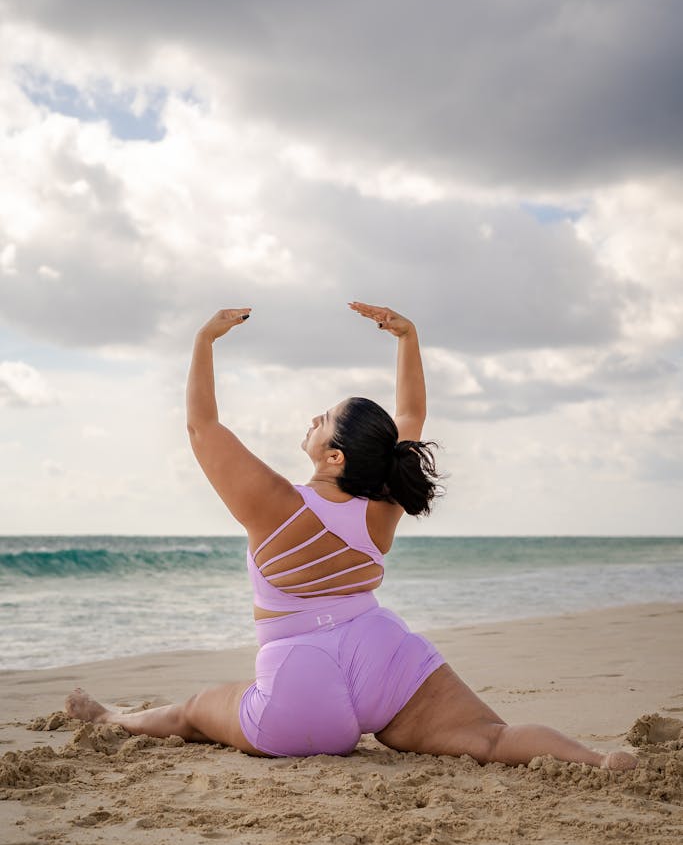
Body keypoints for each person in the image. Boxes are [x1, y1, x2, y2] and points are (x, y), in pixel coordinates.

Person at [65, 302, 637, 771]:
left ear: (334, 456)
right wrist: (407, 337)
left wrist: (203, 341)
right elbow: (410, 415)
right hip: (385, 659)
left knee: (193, 712)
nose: (314, 417)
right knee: (491, 738)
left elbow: (203, 427)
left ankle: (112, 720)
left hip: (300, 684)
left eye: (324, 418)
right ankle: (596, 760)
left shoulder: (275, 504)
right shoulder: (381, 503)